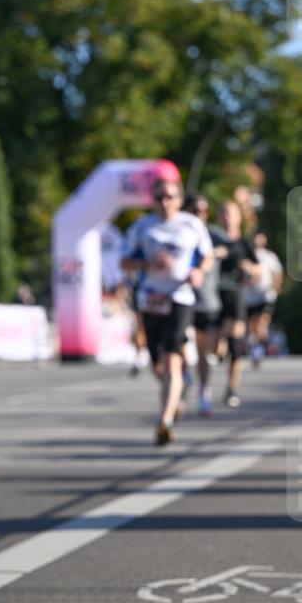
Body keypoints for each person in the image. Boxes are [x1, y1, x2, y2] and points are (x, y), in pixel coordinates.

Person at [121, 177, 213, 445]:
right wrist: (147, 262)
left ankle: (165, 420)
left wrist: (199, 271)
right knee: (158, 364)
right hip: (150, 299)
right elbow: (124, 261)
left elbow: (207, 255)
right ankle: (177, 391)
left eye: (170, 197)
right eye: (159, 197)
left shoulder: (191, 224)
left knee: (172, 357)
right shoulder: (142, 227)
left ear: (179, 200)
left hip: (179, 297)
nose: (164, 202)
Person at [211, 201, 259, 407]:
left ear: (239, 218)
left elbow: (259, 268)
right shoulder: (212, 239)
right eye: (223, 213)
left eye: (231, 214)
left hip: (235, 294)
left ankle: (232, 388)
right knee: (215, 346)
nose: (227, 218)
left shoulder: (244, 243)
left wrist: (249, 268)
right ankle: (219, 351)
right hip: (213, 295)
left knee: (236, 342)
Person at [185, 194, 220, 416]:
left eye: (203, 211)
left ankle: (204, 391)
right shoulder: (177, 232)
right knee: (176, 350)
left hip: (207, 301)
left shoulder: (215, 236)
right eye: (195, 210)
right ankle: (182, 379)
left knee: (202, 352)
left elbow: (239, 249)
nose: (199, 215)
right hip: (180, 299)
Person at [243, 230, 283, 366]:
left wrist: (275, 287)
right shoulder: (246, 254)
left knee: (262, 322)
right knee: (252, 325)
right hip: (249, 296)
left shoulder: (269, 256)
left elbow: (277, 273)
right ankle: (256, 347)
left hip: (265, 295)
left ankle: (259, 348)